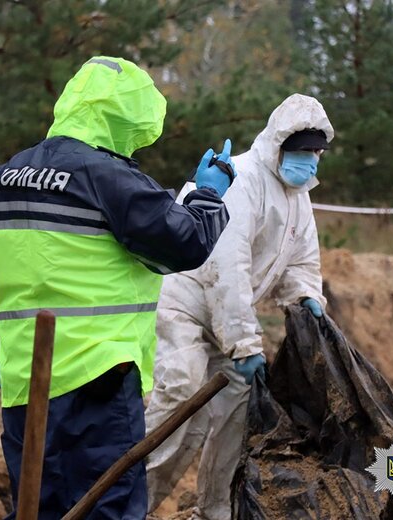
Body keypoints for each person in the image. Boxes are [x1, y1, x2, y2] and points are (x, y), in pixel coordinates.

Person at [0, 56, 234, 519]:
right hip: (97, 381)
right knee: (107, 508)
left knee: (37, 505)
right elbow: (181, 245)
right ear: (130, 121)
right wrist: (207, 195)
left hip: (24, 379)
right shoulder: (110, 179)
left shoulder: (2, 178)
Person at [144, 93, 334, 520]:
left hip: (229, 315)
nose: (310, 161)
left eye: (316, 153)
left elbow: (301, 258)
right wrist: (245, 341)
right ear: (279, 145)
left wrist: (305, 296)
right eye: (303, 151)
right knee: (180, 395)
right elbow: (224, 265)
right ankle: (128, 503)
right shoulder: (244, 179)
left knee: (235, 416)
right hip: (187, 305)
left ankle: (216, 510)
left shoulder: (297, 197)